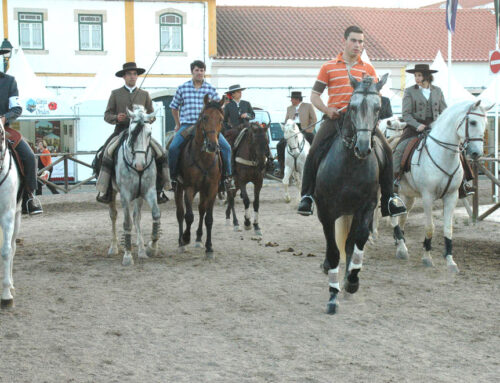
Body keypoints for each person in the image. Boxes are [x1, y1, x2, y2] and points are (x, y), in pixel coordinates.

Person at [297, 25, 407, 218]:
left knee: (387, 151)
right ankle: (307, 196)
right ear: (344, 41)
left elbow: (376, 96)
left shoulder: (368, 69)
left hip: (363, 122)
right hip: (336, 119)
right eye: (354, 40)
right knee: (314, 150)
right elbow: (314, 96)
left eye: (361, 41)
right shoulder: (328, 67)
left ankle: (389, 199)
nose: (358, 45)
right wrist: (326, 109)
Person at [395, 63, 474, 198]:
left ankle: (464, 182)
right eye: (415, 76)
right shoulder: (409, 91)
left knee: (458, 148)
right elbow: (406, 114)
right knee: (400, 148)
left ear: (427, 76)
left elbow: (445, 112)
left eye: (419, 75)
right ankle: (395, 180)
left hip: (436, 127)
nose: (416, 78)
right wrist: (417, 125)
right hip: (415, 128)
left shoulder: (437, 91)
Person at [95, 62, 170, 204]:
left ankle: (161, 188)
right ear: (124, 76)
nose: (132, 76)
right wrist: (117, 118)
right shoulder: (115, 94)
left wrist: (146, 118)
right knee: (104, 153)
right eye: (129, 74)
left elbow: (152, 115)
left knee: (162, 153)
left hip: (140, 133)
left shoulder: (144, 94)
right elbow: (107, 115)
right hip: (120, 131)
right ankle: (106, 189)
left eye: (134, 74)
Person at [169, 60, 234, 190]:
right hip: (188, 125)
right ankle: (174, 177)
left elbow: (219, 106)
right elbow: (174, 107)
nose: (199, 73)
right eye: (197, 70)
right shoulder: (183, 88)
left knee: (226, 148)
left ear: (204, 72)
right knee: (173, 148)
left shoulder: (210, 89)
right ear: (192, 71)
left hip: (208, 127)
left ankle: (228, 177)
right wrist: (178, 124)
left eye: (202, 70)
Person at [0, 49, 43, 215]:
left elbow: (17, 108)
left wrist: (5, 118)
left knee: (30, 157)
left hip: (3, 128)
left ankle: (30, 197)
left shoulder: (9, 81)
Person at [275, 91, 317, 177]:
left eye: (292, 99)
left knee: (315, 144)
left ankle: (315, 166)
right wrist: (286, 129)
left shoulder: (308, 106)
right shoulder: (289, 108)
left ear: (297, 99)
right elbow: (286, 120)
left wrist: (310, 130)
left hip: (305, 129)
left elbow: (314, 119)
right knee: (280, 145)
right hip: (292, 130)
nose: (291, 100)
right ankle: (282, 168)